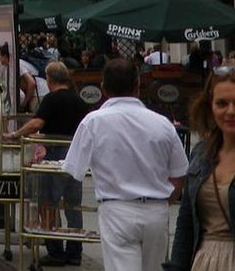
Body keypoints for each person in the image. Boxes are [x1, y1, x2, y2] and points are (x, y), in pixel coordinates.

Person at [62, 58, 188, 271]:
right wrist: (165, 201)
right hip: (156, 209)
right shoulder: (162, 123)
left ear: (103, 88)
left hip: (117, 209)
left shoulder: (93, 122)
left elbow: (74, 169)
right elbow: (179, 174)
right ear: (137, 86)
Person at [4, 61, 89, 267]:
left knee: (49, 203)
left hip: (55, 154)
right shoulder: (78, 100)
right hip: (74, 155)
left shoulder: (51, 99)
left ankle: (56, 251)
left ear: (49, 79)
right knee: (73, 205)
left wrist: (15, 134)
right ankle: (75, 251)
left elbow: (37, 123)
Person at [165, 65, 235, 270]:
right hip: (204, 261)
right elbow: (186, 220)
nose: (231, 111)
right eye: (222, 103)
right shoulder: (201, 154)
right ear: (210, 107)